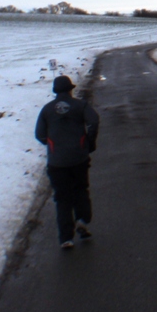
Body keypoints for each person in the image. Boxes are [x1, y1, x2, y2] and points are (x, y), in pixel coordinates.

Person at [35, 75, 100, 249]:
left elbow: (39, 134)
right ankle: (82, 221)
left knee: (62, 198)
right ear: (70, 89)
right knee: (80, 189)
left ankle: (66, 238)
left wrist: (52, 144)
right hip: (79, 157)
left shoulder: (46, 110)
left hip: (57, 162)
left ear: (56, 91)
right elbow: (93, 121)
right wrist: (89, 141)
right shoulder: (80, 105)